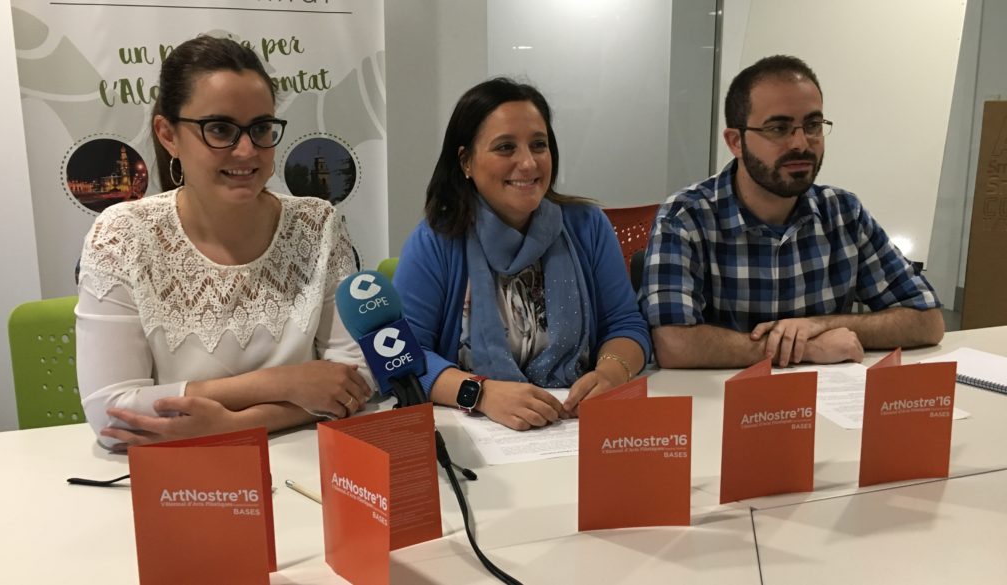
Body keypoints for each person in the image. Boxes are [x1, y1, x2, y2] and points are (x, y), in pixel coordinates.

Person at [76, 36, 374, 450]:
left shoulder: (317, 224)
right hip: (180, 472)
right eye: (219, 129)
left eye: (261, 128)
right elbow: (111, 412)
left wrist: (234, 425)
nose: (247, 150)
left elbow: (355, 380)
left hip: (305, 466)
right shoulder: (122, 236)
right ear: (168, 134)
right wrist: (283, 383)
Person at [641, 55, 944, 370]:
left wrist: (819, 325)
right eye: (778, 128)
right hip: (722, 396)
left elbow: (927, 320)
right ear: (736, 142)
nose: (801, 143)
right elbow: (673, 344)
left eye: (813, 125)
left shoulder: (843, 213)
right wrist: (807, 348)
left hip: (829, 395)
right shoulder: (686, 218)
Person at [394, 77, 652, 431]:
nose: (529, 163)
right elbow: (402, 358)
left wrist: (611, 372)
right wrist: (481, 394)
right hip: (478, 432)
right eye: (505, 148)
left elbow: (625, 325)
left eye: (538, 145)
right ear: (466, 161)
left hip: (574, 424)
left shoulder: (587, 226)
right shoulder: (435, 242)